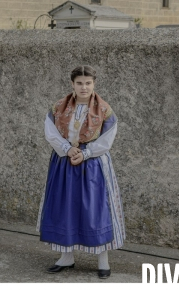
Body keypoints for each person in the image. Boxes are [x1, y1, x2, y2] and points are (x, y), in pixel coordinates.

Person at [36, 65, 125, 279]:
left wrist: (86, 154)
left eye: (88, 83)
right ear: (72, 84)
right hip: (65, 163)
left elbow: (107, 138)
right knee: (64, 208)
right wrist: (68, 149)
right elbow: (50, 131)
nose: (84, 87)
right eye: (79, 83)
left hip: (94, 165)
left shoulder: (104, 109)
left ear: (94, 84)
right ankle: (66, 257)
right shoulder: (59, 107)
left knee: (96, 210)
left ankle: (103, 260)